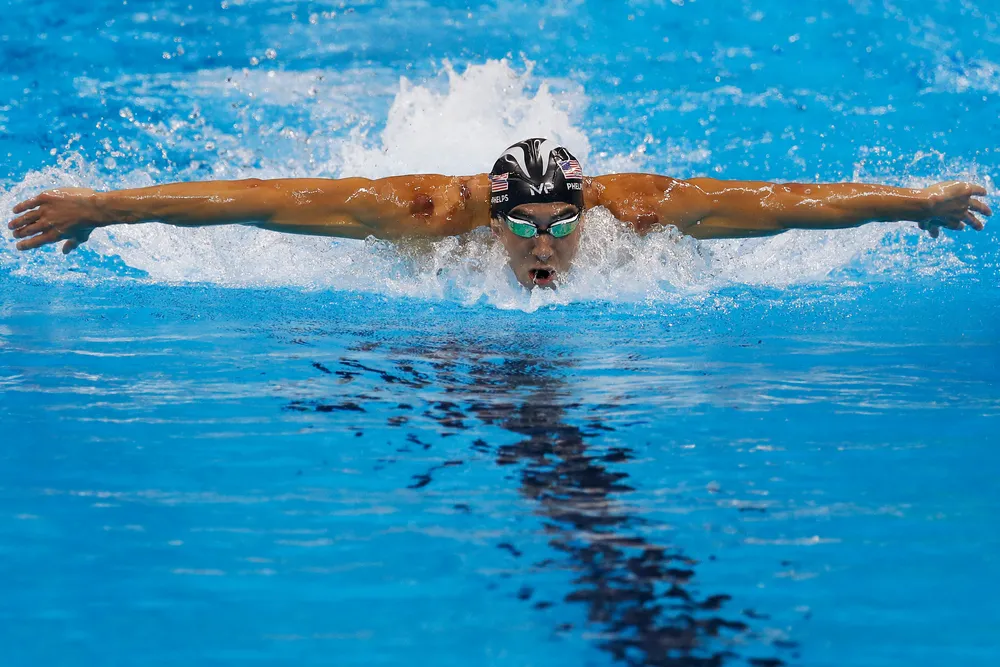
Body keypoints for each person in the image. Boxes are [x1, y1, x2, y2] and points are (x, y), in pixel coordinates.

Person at [7, 137, 991, 289]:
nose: (542, 247)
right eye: (521, 228)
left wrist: (913, 206)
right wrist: (104, 205)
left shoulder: (633, 213)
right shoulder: (422, 216)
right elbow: (256, 201)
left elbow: (781, 208)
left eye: (557, 226)